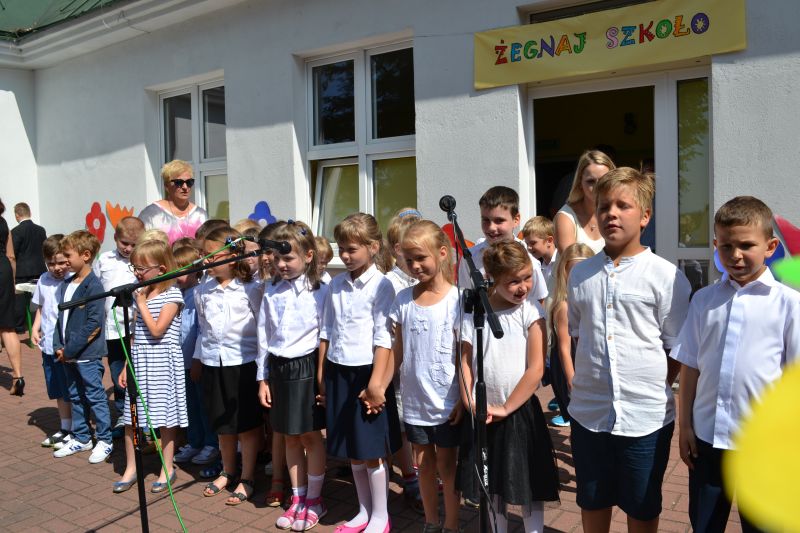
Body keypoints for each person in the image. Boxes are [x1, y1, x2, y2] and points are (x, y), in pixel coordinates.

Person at [567, 168, 691, 533]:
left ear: (645, 216)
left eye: (623, 206)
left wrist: (653, 383)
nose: (612, 214)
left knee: (641, 504)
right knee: (592, 499)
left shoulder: (665, 276)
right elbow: (579, 334)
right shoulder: (581, 275)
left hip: (645, 418)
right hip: (590, 414)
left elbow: (677, 346)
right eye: (604, 206)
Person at [670, 196, 800, 532]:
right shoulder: (704, 300)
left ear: (770, 247)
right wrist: (685, 427)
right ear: (716, 245)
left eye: (746, 245)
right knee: (705, 524)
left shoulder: (789, 305)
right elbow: (690, 366)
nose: (736, 255)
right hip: (708, 440)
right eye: (726, 246)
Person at [459, 241, 560, 533]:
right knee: (493, 484)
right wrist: (469, 402)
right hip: (484, 413)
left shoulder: (530, 312)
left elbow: (536, 368)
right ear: (492, 277)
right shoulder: (474, 313)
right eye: (513, 281)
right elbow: (464, 362)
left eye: (527, 277)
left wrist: (506, 407)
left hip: (518, 411)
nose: (523, 287)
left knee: (529, 481)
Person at [319, 212, 401, 533]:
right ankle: (364, 510)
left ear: (373, 247)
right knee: (351, 448)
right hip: (338, 370)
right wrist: (322, 375)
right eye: (341, 248)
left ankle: (381, 515)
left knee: (370, 450)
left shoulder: (382, 286)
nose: (345, 255)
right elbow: (327, 330)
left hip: (367, 374)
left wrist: (376, 384)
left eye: (352, 249)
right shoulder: (336, 284)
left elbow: (384, 338)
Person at [389, 220, 463, 533]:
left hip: (447, 401)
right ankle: (431, 521)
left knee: (447, 464)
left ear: (442, 253)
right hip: (415, 400)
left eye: (421, 258)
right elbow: (396, 350)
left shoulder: (457, 300)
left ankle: (452, 523)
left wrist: (463, 397)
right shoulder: (403, 300)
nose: (415, 266)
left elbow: (464, 356)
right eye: (409, 260)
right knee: (424, 464)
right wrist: (381, 385)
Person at [257, 220, 329, 531]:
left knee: (310, 435)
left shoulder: (320, 290)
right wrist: (262, 378)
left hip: (307, 367)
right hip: (279, 368)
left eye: (288, 258)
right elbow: (263, 334)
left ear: (309, 255)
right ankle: (297, 497)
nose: (282, 264)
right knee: (288, 436)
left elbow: (326, 335)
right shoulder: (271, 289)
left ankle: (315, 499)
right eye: (277, 258)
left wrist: (323, 378)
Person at [193, 227, 263, 506]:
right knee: (223, 423)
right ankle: (228, 470)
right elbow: (202, 328)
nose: (206, 261)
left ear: (233, 256)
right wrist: (198, 358)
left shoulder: (251, 288)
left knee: (245, 424)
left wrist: (263, 369)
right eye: (203, 255)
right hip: (213, 363)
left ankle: (248, 476)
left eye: (212, 255)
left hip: (242, 363)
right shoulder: (202, 290)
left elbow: (262, 329)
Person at [114, 240, 187, 493]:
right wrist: (127, 363)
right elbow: (136, 333)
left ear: (162, 269)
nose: (137, 273)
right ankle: (131, 468)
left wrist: (142, 302)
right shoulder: (141, 293)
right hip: (140, 359)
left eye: (142, 268)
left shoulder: (172, 295)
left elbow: (157, 330)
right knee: (131, 417)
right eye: (134, 267)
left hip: (162, 362)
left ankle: (167, 468)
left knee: (165, 419)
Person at [52, 231, 113, 463]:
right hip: (68, 353)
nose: (64, 260)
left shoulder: (93, 286)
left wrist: (69, 349)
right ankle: (82, 436)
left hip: (86, 354)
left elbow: (94, 324)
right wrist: (58, 345)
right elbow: (60, 318)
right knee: (75, 395)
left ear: (86, 255)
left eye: (68, 255)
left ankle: (105, 439)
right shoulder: (67, 283)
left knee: (94, 396)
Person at [383, 207, 423, 512]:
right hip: (399, 366)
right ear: (397, 249)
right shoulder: (391, 283)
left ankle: (419, 472)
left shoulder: (420, 279)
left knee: (417, 423)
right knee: (402, 425)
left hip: (420, 365)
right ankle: (411, 477)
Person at [93, 216, 145, 439]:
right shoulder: (105, 259)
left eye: (134, 244)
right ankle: (124, 415)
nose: (128, 248)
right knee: (117, 373)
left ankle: (143, 419)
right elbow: (96, 288)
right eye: (124, 243)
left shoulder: (142, 261)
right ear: (115, 238)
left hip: (136, 328)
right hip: (112, 328)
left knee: (137, 372)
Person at [457, 186, 548, 305]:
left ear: (516, 220)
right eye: (485, 220)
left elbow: (539, 301)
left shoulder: (528, 260)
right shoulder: (470, 258)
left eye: (499, 220)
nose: (491, 227)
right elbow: (464, 298)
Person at [173, 246, 219, 467]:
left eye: (181, 270)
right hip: (180, 360)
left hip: (195, 360)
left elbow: (201, 330)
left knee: (203, 404)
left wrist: (197, 360)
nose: (177, 275)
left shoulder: (199, 293)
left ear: (195, 271)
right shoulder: (176, 293)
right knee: (188, 404)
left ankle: (211, 442)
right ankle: (195, 441)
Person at [31, 234, 72, 448]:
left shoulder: (72, 280)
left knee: (70, 388)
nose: (56, 268)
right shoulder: (44, 279)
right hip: (47, 344)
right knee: (57, 388)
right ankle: (65, 427)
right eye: (50, 264)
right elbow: (41, 306)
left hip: (65, 345)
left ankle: (77, 428)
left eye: (61, 262)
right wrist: (35, 327)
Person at [547, 243, 594, 427]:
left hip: (587, 365)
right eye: (574, 272)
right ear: (564, 273)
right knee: (580, 421)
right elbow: (564, 350)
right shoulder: (564, 307)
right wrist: (572, 381)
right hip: (572, 367)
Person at [554, 150, 616, 255]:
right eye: (591, 181)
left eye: (603, 181)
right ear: (580, 183)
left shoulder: (618, 213)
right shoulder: (566, 217)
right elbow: (572, 263)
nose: (597, 187)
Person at [138, 160, 208, 244]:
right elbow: (141, 247)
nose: (185, 187)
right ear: (166, 186)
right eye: (179, 183)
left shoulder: (200, 214)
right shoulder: (151, 214)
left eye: (189, 182)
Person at [12, 202, 47, 334]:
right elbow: (45, 249)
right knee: (41, 297)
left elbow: (13, 252)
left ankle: (20, 327)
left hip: (22, 271)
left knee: (20, 299)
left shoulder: (16, 231)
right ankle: (41, 324)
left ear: (17, 215)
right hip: (40, 268)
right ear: (30, 213)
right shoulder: (41, 230)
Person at [0, 198, 23, 395]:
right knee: (8, 327)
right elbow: (11, 256)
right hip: (4, 271)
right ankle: (17, 377)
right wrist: (12, 281)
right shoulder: (3, 223)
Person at [521, 216, 558, 287]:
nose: (528, 247)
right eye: (527, 243)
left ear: (549, 241)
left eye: (533, 243)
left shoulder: (561, 263)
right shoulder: (539, 266)